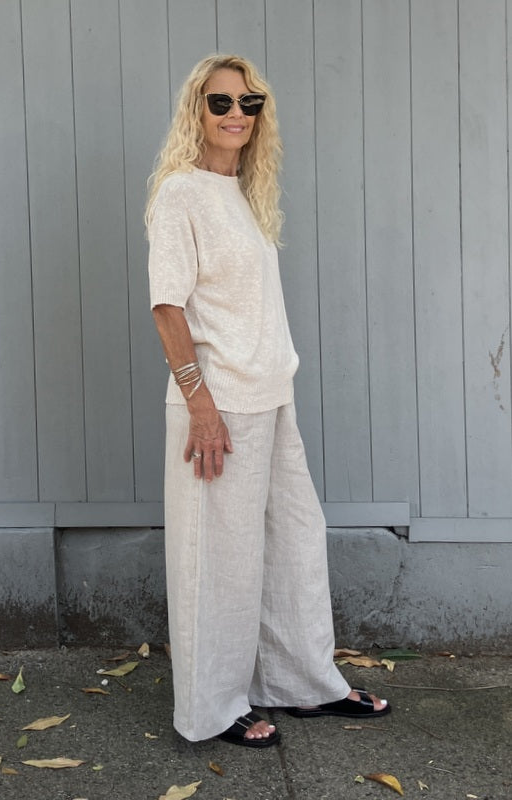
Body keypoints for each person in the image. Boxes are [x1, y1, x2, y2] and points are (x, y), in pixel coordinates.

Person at [145, 54, 390, 747]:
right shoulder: (180, 193)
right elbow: (167, 307)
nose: (236, 115)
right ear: (196, 110)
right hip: (218, 408)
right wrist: (200, 405)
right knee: (217, 564)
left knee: (292, 544)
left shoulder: (246, 193)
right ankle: (212, 709)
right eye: (221, 102)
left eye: (249, 103)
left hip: (271, 395)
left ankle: (300, 684)